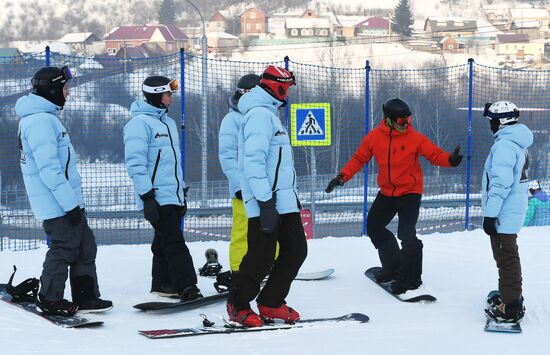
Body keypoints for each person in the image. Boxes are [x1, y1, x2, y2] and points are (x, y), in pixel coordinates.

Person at [325, 98, 463, 295]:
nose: (405, 124)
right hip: (387, 192)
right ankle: (393, 268)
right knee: (374, 226)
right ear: (388, 119)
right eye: (401, 120)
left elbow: (435, 154)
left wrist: (450, 160)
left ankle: (412, 279)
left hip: (410, 192)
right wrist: (342, 177)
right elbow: (359, 158)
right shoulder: (374, 138)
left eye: (408, 119)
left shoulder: (415, 138)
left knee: (406, 234)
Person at [16, 66, 112, 316]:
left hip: (67, 200)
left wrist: (73, 203)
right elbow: (50, 170)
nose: (68, 93)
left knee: (85, 245)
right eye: (64, 88)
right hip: (56, 203)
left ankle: (86, 296)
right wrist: (69, 205)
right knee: (64, 247)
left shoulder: (47, 117)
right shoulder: (39, 122)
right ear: (51, 90)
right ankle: (49, 298)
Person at [226, 65, 308, 327]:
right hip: (266, 201)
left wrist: (289, 198)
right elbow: (253, 161)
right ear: (277, 86)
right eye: (287, 87)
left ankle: (271, 302)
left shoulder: (270, 115)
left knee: (296, 250)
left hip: (284, 201)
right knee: (261, 257)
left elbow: (279, 164)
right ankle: (238, 305)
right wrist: (264, 201)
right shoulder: (259, 115)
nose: (288, 93)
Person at [124, 75, 202, 302]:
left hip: (172, 195)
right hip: (156, 196)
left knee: (162, 241)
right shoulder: (138, 124)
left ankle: (163, 283)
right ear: (157, 95)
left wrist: (181, 195)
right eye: (168, 94)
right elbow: (135, 164)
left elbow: (171, 165)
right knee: (174, 242)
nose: (171, 99)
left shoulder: (167, 123)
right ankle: (187, 286)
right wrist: (147, 196)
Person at [481, 101, 532, 323]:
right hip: (512, 209)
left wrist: (490, 215)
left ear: (501, 122)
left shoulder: (504, 146)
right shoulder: (517, 142)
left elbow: (500, 184)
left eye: (492, 120)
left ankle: (509, 306)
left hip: (503, 212)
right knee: (508, 254)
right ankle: (509, 295)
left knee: (506, 257)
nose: (490, 125)